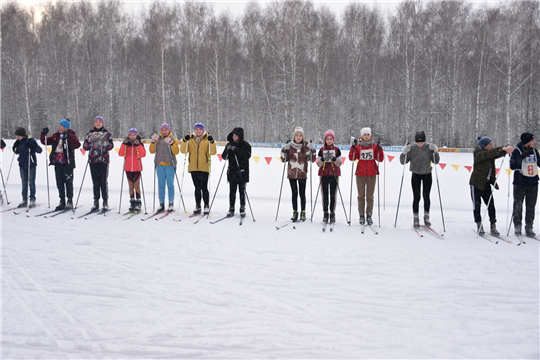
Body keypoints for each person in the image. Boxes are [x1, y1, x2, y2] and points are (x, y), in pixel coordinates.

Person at [469, 136, 513, 235]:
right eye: (489, 144)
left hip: (486, 184)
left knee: (491, 205)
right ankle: (479, 224)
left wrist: (506, 149)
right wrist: (501, 149)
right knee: (477, 206)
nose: (491, 145)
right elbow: (489, 154)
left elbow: (495, 153)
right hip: (476, 183)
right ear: (484, 146)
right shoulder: (478, 153)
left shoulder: (489, 153)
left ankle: (493, 225)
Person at [400, 130, 440, 229]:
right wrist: (404, 153)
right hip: (416, 175)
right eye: (418, 142)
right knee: (416, 197)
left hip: (427, 174)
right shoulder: (412, 148)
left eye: (422, 142)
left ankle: (426, 217)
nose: (420, 144)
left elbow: (436, 161)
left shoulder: (428, 148)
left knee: (426, 197)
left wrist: (435, 152)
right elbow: (402, 162)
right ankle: (416, 217)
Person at [41, 119, 81, 210]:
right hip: (57, 162)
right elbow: (45, 142)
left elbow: (77, 145)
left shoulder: (71, 134)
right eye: (58, 126)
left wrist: (69, 137)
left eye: (60, 126)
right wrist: (43, 134)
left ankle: (69, 200)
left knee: (68, 182)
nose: (58, 128)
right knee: (59, 182)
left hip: (67, 163)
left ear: (65, 127)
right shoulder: (56, 136)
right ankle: (62, 201)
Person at [349, 127, 384, 225]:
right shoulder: (358, 146)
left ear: (370, 136)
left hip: (372, 174)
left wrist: (380, 149)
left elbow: (380, 159)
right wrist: (352, 147)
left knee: (370, 196)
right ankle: (361, 215)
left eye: (368, 134)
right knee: (361, 196)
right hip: (360, 174)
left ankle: (369, 215)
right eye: (364, 135)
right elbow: (352, 158)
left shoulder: (374, 146)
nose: (366, 136)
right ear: (361, 136)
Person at [280, 127, 316, 222]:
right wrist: (284, 149)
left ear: (302, 136)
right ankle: (295, 212)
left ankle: (303, 212)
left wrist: (313, 150)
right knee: (294, 193)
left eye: (300, 135)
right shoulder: (290, 147)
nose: (298, 137)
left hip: (302, 174)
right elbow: (283, 159)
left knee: (302, 194)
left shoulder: (305, 146)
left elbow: (312, 160)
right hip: (292, 174)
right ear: (294, 136)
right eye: (297, 135)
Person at [180, 123, 217, 215]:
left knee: (204, 187)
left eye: (200, 129)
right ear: (194, 130)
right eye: (197, 129)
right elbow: (183, 151)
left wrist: (212, 143)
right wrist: (184, 141)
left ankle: (206, 205)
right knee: (197, 188)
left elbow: (213, 152)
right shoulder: (191, 139)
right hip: (193, 167)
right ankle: (197, 205)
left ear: (203, 130)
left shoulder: (207, 139)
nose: (198, 131)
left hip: (204, 167)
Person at [510, 132, 539, 237]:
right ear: (527, 142)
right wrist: (522, 156)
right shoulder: (517, 151)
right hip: (520, 182)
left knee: (531, 206)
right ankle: (517, 225)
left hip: (533, 182)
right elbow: (513, 166)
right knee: (518, 205)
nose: (534, 142)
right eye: (532, 141)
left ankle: (529, 226)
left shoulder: (535, 151)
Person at [83, 116, 114, 211]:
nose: (98, 123)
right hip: (93, 160)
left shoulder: (107, 133)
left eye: (100, 122)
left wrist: (103, 141)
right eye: (96, 122)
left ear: (102, 123)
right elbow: (85, 146)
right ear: (94, 123)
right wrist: (91, 141)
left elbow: (111, 146)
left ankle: (105, 201)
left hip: (103, 160)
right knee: (95, 182)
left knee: (103, 181)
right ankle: (96, 201)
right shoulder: (90, 133)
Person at [149, 123, 179, 212]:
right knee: (161, 185)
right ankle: (161, 203)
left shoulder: (173, 139)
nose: (164, 132)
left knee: (170, 184)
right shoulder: (158, 139)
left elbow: (176, 151)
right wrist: (153, 142)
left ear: (169, 130)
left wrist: (171, 143)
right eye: (162, 130)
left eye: (166, 130)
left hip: (170, 164)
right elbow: (152, 151)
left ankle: (171, 203)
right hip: (159, 165)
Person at [222, 127, 251, 217]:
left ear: (240, 136)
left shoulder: (246, 145)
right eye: (233, 135)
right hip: (232, 172)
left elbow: (247, 155)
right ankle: (231, 208)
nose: (234, 137)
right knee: (232, 191)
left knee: (242, 191)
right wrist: (228, 150)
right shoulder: (229, 144)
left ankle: (242, 208)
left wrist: (237, 150)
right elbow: (224, 157)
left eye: (236, 135)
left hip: (242, 171)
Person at [317, 129, 342, 224]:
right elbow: (318, 164)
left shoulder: (337, 150)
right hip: (324, 174)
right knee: (325, 195)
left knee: (333, 194)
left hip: (334, 174)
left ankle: (332, 213)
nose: (329, 140)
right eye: (327, 139)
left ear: (333, 139)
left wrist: (334, 160)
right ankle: (325, 212)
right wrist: (322, 159)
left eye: (331, 139)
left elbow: (340, 164)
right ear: (325, 139)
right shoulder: (321, 150)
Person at [13, 127, 42, 208]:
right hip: (22, 164)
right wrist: (14, 147)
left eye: (18, 136)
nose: (17, 138)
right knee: (24, 182)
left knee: (31, 182)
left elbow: (39, 150)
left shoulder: (31, 140)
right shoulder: (18, 142)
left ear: (23, 135)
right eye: (16, 136)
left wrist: (33, 146)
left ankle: (32, 199)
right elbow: (16, 151)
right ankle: (24, 199)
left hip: (31, 164)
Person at [119, 128, 146, 212]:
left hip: (137, 167)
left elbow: (143, 154)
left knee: (136, 185)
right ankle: (132, 201)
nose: (132, 137)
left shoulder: (140, 143)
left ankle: (138, 201)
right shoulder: (126, 144)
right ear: (128, 135)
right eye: (130, 135)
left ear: (136, 135)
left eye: (134, 135)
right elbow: (120, 153)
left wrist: (139, 145)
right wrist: (123, 144)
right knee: (131, 185)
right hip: (128, 167)